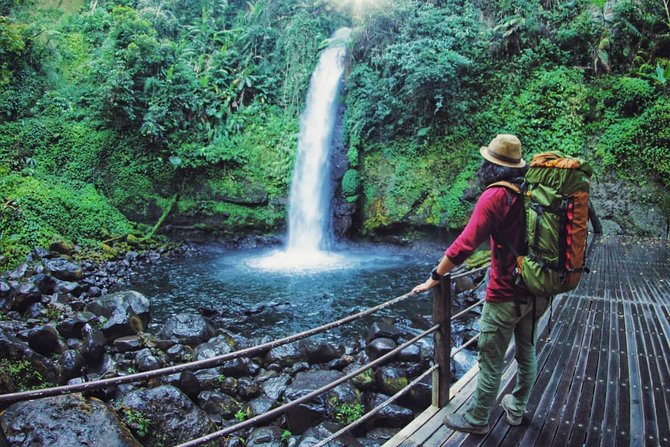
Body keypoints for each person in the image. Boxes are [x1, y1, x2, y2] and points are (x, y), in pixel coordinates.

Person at [412, 134, 549, 435]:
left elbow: (465, 245)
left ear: (490, 165)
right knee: (526, 348)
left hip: (505, 293)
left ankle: (477, 419)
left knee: (490, 357)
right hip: (537, 289)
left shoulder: (496, 195)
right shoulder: (531, 191)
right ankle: (517, 406)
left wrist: (435, 277)